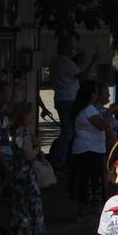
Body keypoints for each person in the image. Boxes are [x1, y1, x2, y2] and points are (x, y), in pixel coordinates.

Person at [69, 80, 117, 219]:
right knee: (92, 181)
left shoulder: (82, 108)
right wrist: (110, 112)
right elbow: (102, 125)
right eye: (95, 92)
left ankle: (85, 211)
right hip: (89, 149)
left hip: (87, 148)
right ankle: (90, 211)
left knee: (86, 181)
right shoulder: (89, 109)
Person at [3, 103, 45, 235]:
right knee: (31, 207)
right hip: (26, 175)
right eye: (31, 114)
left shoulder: (12, 131)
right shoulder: (24, 133)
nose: (32, 116)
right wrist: (38, 147)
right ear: (24, 115)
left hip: (15, 174)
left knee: (19, 209)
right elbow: (29, 155)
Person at [48, 36, 81, 168]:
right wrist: (93, 61)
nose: (72, 49)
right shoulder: (65, 62)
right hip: (68, 99)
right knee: (68, 131)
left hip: (61, 98)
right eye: (70, 46)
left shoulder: (55, 61)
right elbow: (81, 75)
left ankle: (62, 158)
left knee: (68, 130)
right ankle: (59, 160)